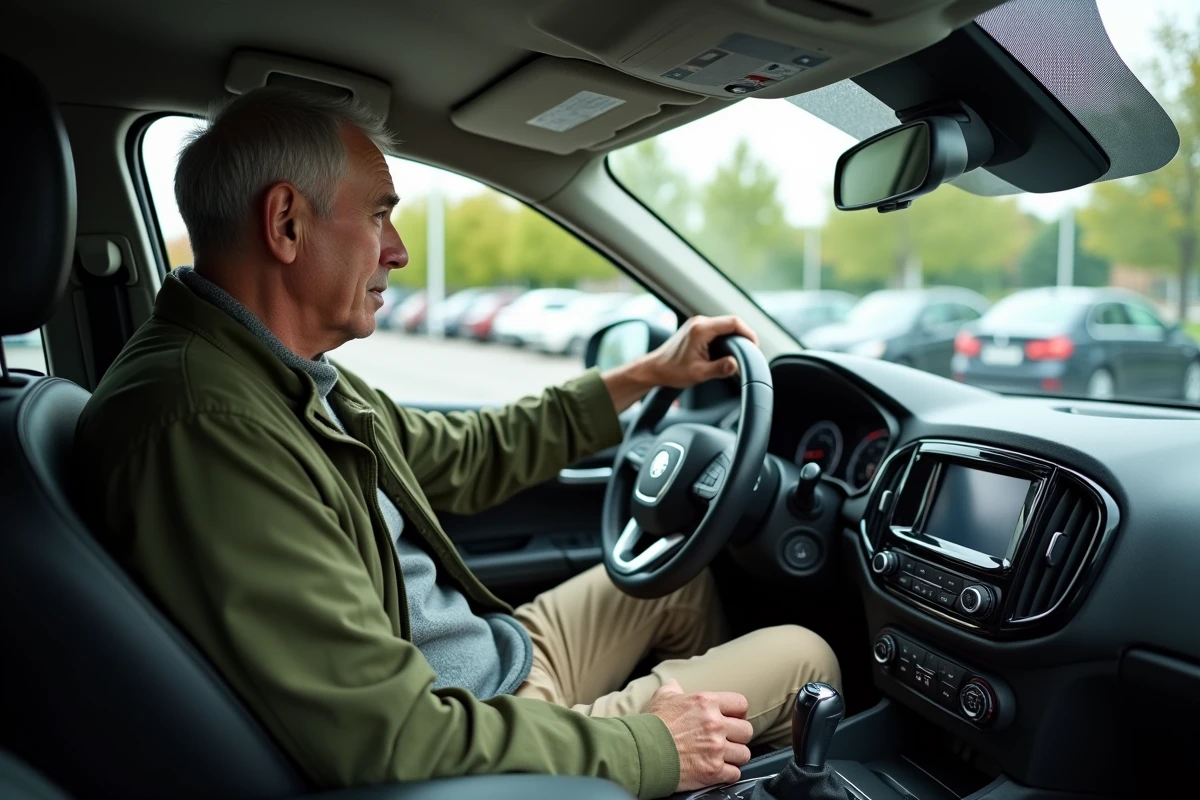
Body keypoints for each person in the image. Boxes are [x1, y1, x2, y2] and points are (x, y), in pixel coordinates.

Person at [75, 88, 839, 799]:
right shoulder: (209, 428)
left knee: (674, 579)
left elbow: (468, 453)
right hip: (469, 724)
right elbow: (389, 733)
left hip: (494, 664)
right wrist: (651, 746)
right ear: (286, 223)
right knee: (807, 655)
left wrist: (646, 375)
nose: (398, 250)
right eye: (379, 216)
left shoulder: (280, 378)